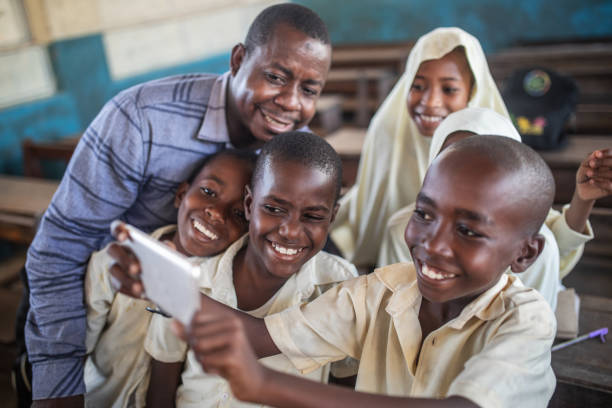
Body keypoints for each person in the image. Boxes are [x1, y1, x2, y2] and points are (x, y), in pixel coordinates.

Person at [24, 3, 332, 405]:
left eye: (309, 89)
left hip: (184, 347)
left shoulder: (289, 147)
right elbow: (59, 250)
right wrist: (59, 384)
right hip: (102, 321)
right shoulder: (141, 120)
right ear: (239, 60)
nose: (291, 103)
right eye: (275, 77)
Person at [170, 135, 558, 408]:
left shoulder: (525, 322)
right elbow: (263, 336)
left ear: (525, 254)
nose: (434, 244)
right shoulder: (379, 294)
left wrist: (265, 385)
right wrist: (160, 282)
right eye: (423, 214)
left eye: (469, 231)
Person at [138, 132, 357, 407]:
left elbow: (346, 391)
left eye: (312, 216)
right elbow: (161, 389)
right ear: (250, 205)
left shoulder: (340, 287)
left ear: (332, 217)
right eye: (274, 209)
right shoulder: (192, 277)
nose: (290, 231)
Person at [378, 107, 600, 311]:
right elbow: (394, 308)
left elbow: (533, 328)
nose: (435, 246)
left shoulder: (539, 250)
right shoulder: (402, 228)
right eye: (450, 161)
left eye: (468, 231)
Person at [83, 149, 256, 407]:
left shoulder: (222, 294)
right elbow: (77, 347)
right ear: (181, 194)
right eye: (209, 192)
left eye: (239, 214)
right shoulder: (117, 261)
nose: (217, 213)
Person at [330, 27, 507, 268]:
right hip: (390, 255)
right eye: (417, 86)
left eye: (449, 89)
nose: (430, 102)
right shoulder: (388, 127)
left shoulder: (492, 142)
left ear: (472, 92)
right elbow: (371, 211)